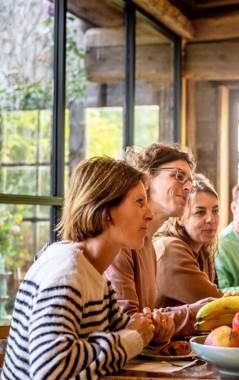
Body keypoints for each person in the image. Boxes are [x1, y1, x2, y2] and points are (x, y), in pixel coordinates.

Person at [1, 157, 155, 379]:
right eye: (140, 202)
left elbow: (123, 329)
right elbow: (49, 369)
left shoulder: (94, 274)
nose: (149, 213)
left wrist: (149, 331)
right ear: (105, 207)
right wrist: (132, 338)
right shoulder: (66, 274)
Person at [105, 143, 209, 340]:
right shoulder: (122, 243)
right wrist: (198, 312)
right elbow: (129, 323)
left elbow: (148, 316)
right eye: (178, 176)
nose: (187, 187)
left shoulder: (148, 246)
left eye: (190, 182)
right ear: (147, 175)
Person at [154, 174, 239, 306]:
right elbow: (216, 304)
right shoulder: (170, 249)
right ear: (179, 217)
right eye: (200, 212)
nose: (211, 219)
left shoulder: (203, 250)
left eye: (215, 211)